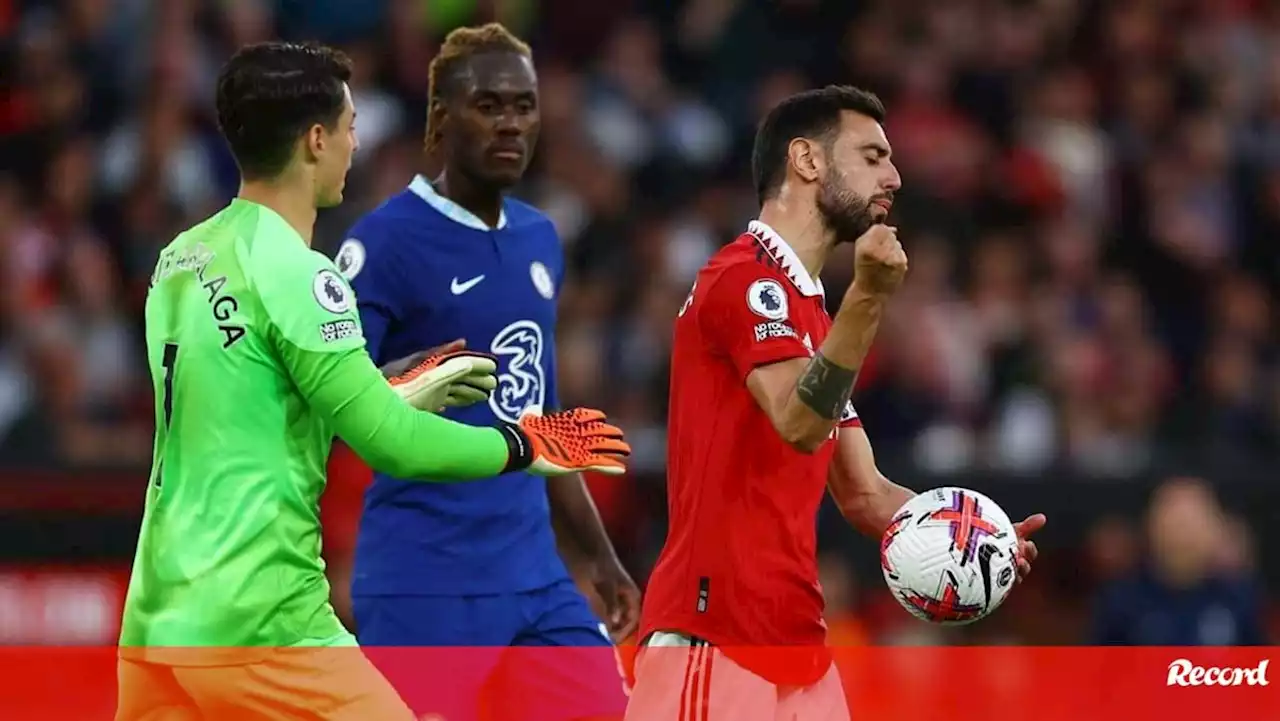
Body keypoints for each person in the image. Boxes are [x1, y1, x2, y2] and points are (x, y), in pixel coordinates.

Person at [115, 41, 631, 721]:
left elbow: (261, 402)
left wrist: (378, 383)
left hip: (161, 610)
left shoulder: (181, 258)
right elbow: (391, 443)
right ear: (317, 139)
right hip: (264, 615)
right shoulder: (305, 276)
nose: (358, 145)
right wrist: (525, 444)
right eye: (352, 126)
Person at [625, 86, 1047, 721]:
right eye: (873, 155)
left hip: (798, 643)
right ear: (807, 160)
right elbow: (798, 421)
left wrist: (975, 539)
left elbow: (864, 493)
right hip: (713, 637)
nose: (895, 176)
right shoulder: (742, 277)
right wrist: (870, 297)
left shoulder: (810, 312)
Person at [336, 23, 637, 721]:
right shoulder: (382, 244)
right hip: (425, 579)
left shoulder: (540, 237)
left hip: (535, 576)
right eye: (489, 104)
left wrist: (598, 554)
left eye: (524, 106)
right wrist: (396, 379)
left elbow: (541, 416)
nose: (511, 123)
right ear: (441, 119)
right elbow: (334, 397)